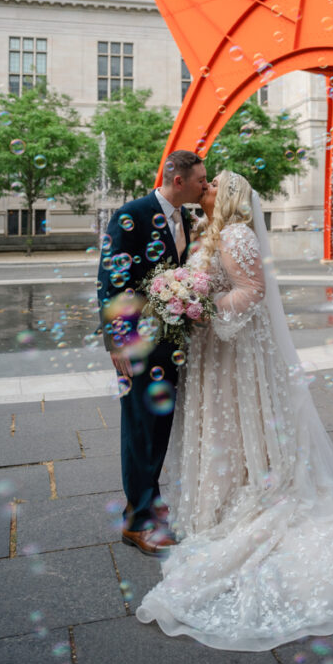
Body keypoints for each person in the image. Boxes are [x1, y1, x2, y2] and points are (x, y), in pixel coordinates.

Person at [136, 169, 333, 651]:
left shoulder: (235, 233)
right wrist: (184, 297)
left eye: (212, 186)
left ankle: (253, 486)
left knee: (239, 418)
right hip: (215, 348)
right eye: (202, 183)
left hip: (236, 350)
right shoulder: (211, 231)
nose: (204, 189)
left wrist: (203, 308)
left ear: (228, 197)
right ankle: (225, 489)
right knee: (220, 423)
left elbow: (252, 290)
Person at [97, 149, 208, 556]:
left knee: (158, 426)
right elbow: (111, 279)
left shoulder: (186, 220)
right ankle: (136, 522)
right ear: (178, 180)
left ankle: (149, 501)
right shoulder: (134, 213)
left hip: (168, 341)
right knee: (140, 429)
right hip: (139, 341)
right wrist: (117, 340)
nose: (204, 185)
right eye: (200, 179)